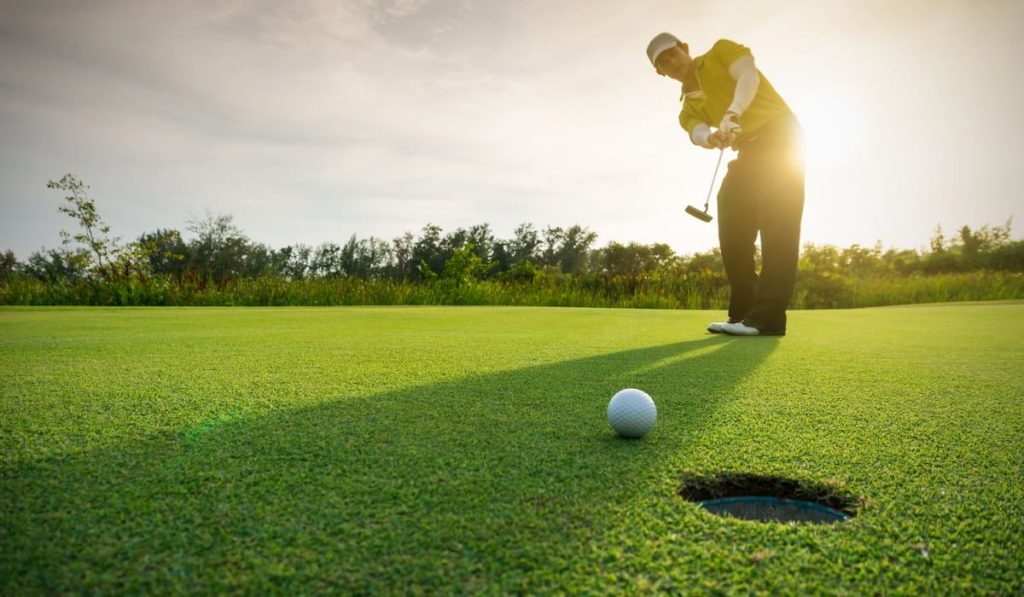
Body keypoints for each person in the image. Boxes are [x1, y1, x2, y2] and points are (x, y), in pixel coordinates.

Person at [647, 33, 804, 336]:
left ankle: (768, 318)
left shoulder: (721, 51)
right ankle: (744, 312)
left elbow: (748, 75)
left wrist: (733, 112)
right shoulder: (687, 109)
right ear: (660, 72)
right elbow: (697, 132)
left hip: (781, 135)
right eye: (664, 62)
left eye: (673, 53)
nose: (672, 62)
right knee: (730, 209)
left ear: (685, 49)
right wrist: (712, 137)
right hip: (747, 149)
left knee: (778, 223)